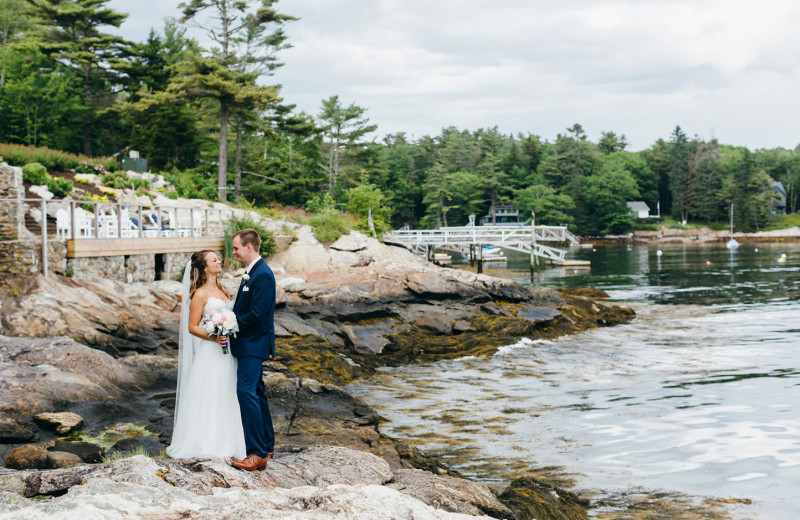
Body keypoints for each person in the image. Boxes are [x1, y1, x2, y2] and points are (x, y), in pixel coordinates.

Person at [167, 250, 246, 459]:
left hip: (228, 351)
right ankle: (208, 443)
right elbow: (193, 327)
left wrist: (228, 330)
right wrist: (215, 337)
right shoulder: (200, 294)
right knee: (212, 393)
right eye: (214, 260)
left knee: (228, 392)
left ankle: (230, 441)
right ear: (204, 267)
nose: (219, 261)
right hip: (211, 352)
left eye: (218, 258)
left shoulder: (223, 288)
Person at [219, 229, 276, 471]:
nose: (233, 252)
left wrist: (228, 324)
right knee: (257, 392)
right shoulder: (252, 273)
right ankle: (268, 445)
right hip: (249, 342)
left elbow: (257, 315)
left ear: (249, 247)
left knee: (245, 392)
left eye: (236, 248)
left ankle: (257, 454)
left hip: (254, 343)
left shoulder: (262, 275)